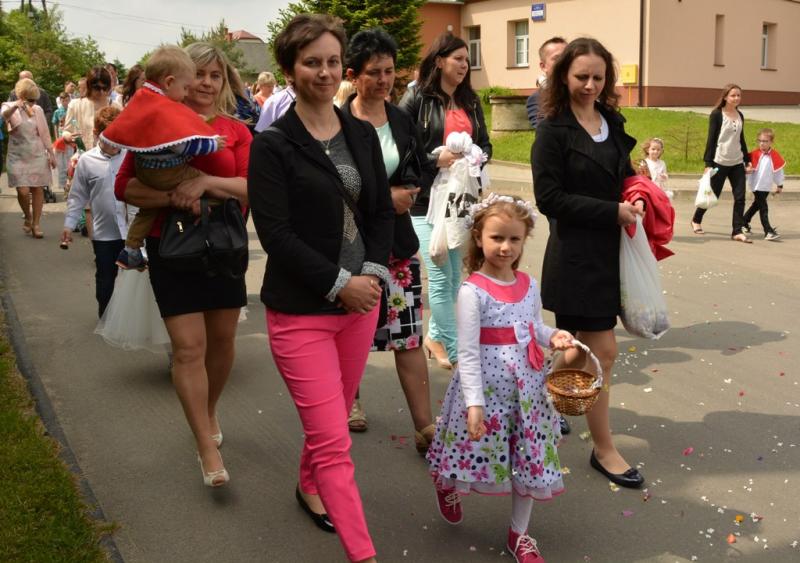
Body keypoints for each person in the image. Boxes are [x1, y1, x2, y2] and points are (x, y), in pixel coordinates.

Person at [248, 14, 393, 563]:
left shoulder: (360, 133)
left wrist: (371, 274)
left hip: (360, 307)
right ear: (289, 70)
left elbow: (380, 212)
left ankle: (308, 485)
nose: (326, 72)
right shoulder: (273, 144)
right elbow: (276, 234)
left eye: (333, 61)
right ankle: (364, 554)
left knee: (328, 422)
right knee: (334, 439)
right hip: (302, 312)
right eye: (312, 62)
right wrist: (339, 284)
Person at [115, 42, 252, 488]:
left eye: (216, 75)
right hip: (169, 246)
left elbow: (253, 186)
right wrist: (172, 197)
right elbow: (124, 187)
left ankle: (208, 410)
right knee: (189, 348)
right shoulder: (154, 124)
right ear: (180, 79)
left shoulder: (235, 130)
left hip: (224, 245)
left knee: (222, 342)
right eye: (200, 74)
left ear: (224, 81)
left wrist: (206, 182)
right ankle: (205, 445)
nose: (206, 84)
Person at [426, 194, 575, 563]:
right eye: (497, 238)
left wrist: (552, 336)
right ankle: (447, 484)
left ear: (524, 240)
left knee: (529, 458)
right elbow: (468, 352)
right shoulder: (472, 291)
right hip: (485, 392)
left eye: (514, 239)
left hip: (527, 391)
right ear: (479, 238)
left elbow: (533, 326)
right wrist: (474, 404)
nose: (506, 247)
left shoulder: (529, 284)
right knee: (466, 450)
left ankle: (519, 533)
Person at [531, 37, 646, 490]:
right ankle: (604, 449)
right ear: (564, 76)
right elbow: (549, 199)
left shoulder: (611, 122)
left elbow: (624, 172)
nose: (590, 85)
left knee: (577, 352)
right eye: (582, 76)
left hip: (610, 251)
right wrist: (611, 211)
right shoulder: (552, 130)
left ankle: (533, 401)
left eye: (598, 77)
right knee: (602, 353)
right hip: (575, 257)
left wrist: (636, 193)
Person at [340, 28, 435, 450]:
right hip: (351, 247)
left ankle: (425, 426)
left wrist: (410, 188)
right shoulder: (337, 124)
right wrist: (384, 198)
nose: (384, 80)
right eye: (374, 72)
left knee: (408, 336)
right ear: (353, 75)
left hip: (397, 245)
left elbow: (418, 165)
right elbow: (334, 187)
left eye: (390, 71)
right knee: (350, 334)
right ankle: (349, 402)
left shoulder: (400, 118)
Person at [399, 32, 492, 369]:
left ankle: (436, 337)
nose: (464, 65)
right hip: (424, 202)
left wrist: (478, 156)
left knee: (454, 278)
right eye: (458, 59)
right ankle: (457, 352)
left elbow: (486, 143)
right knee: (440, 277)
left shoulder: (471, 100)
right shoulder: (416, 98)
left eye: (467, 60)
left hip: (459, 201)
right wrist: (432, 160)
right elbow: (401, 147)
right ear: (439, 61)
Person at [100, 45, 226, 270]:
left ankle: (130, 250)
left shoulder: (146, 100)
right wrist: (212, 144)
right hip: (169, 185)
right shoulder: (166, 109)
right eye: (190, 82)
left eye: (215, 75)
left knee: (147, 211)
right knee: (213, 190)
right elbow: (182, 144)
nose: (188, 91)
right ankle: (200, 204)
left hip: (146, 171)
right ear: (169, 82)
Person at [61, 106, 131, 317]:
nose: (114, 144)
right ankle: (106, 318)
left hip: (132, 231)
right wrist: (69, 225)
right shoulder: (87, 161)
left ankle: (129, 320)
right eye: (109, 138)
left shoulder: (131, 157)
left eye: (118, 137)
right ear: (96, 134)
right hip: (104, 233)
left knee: (134, 280)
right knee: (105, 279)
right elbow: (77, 196)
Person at [691, 84, 753, 242]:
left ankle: (736, 231)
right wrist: (708, 164)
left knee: (740, 198)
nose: (736, 98)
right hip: (720, 161)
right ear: (725, 97)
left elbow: (741, 139)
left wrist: (747, 160)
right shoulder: (717, 114)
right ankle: (696, 220)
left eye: (739, 95)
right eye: (733, 95)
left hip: (737, 162)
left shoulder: (740, 115)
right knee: (712, 194)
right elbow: (711, 139)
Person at [1, 78, 56, 238]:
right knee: (23, 191)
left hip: (37, 154)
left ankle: (36, 224)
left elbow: (44, 133)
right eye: (30, 100)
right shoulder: (8, 106)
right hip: (17, 155)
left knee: (37, 188)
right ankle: (28, 216)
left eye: (34, 100)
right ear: (22, 96)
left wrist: (51, 153)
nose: (33, 103)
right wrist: (15, 107)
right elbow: (3, 116)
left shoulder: (37, 110)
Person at [743, 128, 784, 241]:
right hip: (756, 186)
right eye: (760, 141)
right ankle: (768, 231)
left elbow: (778, 171)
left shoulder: (774, 155)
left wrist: (780, 185)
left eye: (765, 141)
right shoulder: (754, 154)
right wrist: (746, 171)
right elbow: (745, 167)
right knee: (763, 208)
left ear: (771, 142)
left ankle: (743, 222)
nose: (762, 143)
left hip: (766, 186)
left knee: (756, 205)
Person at [526, 37, 567, 129]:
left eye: (567, 57)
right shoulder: (538, 99)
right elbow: (546, 131)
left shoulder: (585, 91)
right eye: (557, 58)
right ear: (543, 66)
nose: (564, 62)